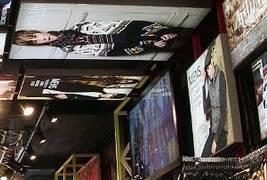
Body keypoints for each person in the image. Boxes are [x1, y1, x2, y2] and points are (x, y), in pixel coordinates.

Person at [12, 22, 181, 57]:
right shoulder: (70, 49)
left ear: (37, 31)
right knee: (178, 46)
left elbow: (122, 25)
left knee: (179, 34)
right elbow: (109, 52)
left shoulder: (78, 27)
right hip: (128, 44)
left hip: (133, 32)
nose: (40, 39)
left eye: (35, 36)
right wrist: (153, 45)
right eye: (35, 41)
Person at [201, 49, 228, 156]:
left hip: (220, 132)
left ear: (212, 63)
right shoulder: (211, 84)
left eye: (209, 68)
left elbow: (223, 112)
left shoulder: (220, 76)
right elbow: (205, 109)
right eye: (206, 70)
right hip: (212, 131)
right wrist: (203, 85)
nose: (208, 72)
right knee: (201, 161)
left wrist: (216, 140)